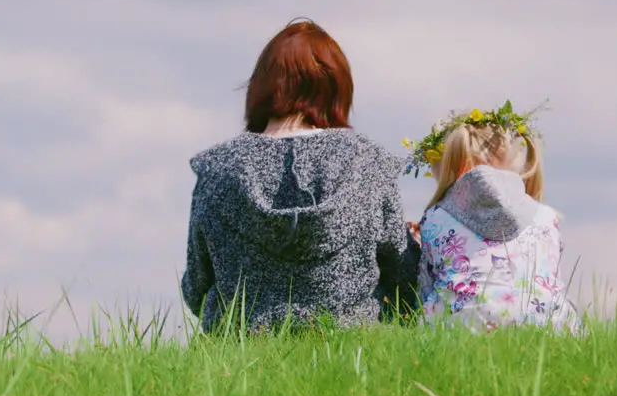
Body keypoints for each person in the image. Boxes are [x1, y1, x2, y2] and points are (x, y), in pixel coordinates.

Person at [180, 19, 418, 333]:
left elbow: (196, 287)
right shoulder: (367, 162)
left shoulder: (217, 169)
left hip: (240, 358)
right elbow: (402, 280)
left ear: (261, 86)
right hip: (355, 351)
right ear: (337, 89)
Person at [402, 101, 579, 333]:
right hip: (546, 328)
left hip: (459, 328)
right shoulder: (547, 217)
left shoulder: (436, 218)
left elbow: (424, 289)